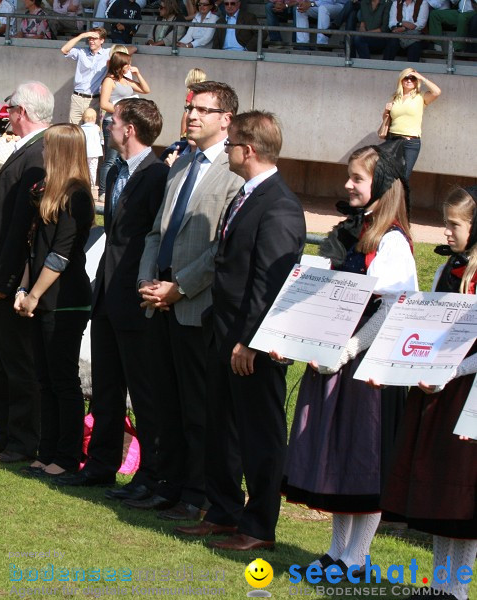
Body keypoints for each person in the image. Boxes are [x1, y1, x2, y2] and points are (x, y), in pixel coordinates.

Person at [277, 145, 416, 575]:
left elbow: (392, 306)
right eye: (349, 177)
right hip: (333, 359)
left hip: (365, 367)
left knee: (362, 460)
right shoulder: (352, 231)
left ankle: (358, 555)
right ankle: (338, 551)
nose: (348, 185)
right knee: (336, 455)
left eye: (357, 178)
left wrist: (349, 349)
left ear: (382, 186)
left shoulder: (392, 240)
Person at [175, 111, 305, 551]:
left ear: (247, 150)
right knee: (223, 431)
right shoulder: (248, 195)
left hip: (251, 345)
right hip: (224, 334)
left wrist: (251, 342)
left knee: (259, 436)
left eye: (230, 144)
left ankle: (259, 527)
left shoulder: (279, 205)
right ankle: (225, 512)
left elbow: (271, 282)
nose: (226, 150)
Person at [131, 82, 244, 518]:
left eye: (202, 109)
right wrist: (147, 279)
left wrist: (181, 287)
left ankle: (198, 493)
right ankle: (170, 485)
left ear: (226, 119)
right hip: (158, 302)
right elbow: (157, 233)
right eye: (189, 108)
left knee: (198, 408)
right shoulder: (177, 166)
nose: (192, 116)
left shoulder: (235, 173)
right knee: (166, 403)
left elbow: (222, 249)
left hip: (197, 306)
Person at [57, 98, 169, 494]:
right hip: (106, 294)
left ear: (130, 129)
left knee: (142, 392)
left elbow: (155, 241)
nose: (108, 126)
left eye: (114, 121)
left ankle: (150, 474)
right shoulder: (117, 168)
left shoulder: (156, 176)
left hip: (136, 300)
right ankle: (100, 465)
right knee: (105, 388)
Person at [381, 186, 477, 600]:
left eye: (454, 225)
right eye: (446, 223)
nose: (447, 232)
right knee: (437, 487)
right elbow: (427, 321)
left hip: (466, 392)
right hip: (435, 390)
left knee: (463, 492)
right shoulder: (448, 270)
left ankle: (457, 587)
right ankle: (439, 583)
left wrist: (453, 371)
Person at [0, 81, 53, 464]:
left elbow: (24, 227)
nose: (7, 117)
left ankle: (21, 442)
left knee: (17, 362)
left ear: (22, 112)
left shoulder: (40, 153)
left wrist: (9, 279)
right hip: (0, 271)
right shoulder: (27, 149)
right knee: (0, 357)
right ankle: (4, 436)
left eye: (11, 110)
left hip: (12, 274)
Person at [12, 123, 94, 477]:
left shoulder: (77, 197)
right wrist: (23, 290)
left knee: (63, 380)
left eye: (47, 148)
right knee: (43, 378)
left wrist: (34, 295)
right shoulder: (45, 190)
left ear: (61, 152)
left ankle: (66, 456)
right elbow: (34, 247)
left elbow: (60, 256)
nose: (43, 154)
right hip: (41, 295)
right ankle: (47, 452)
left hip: (66, 299)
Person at [98, 51, 149, 201]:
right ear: (119, 65)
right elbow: (104, 103)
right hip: (112, 122)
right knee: (111, 159)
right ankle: (103, 191)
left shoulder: (126, 80)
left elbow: (146, 90)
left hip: (126, 123)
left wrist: (138, 74)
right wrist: (123, 110)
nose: (129, 66)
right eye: (127, 64)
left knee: (122, 158)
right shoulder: (109, 81)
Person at [380, 68, 441, 180]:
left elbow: (437, 92)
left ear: (416, 81)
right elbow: (388, 119)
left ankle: (399, 197)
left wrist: (421, 77)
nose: (409, 81)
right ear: (401, 80)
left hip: (410, 143)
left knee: (403, 178)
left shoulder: (421, 97)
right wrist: (385, 112)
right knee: (386, 174)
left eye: (413, 78)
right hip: (392, 140)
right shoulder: (395, 97)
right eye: (406, 78)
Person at [61, 28, 111, 125]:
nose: (91, 41)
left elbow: (128, 50)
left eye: (94, 38)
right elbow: (64, 50)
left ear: (102, 40)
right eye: (89, 38)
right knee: (74, 131)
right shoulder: (82, 52)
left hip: (94, 100)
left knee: (91, 131)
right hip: (77, 98)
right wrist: (82, 35)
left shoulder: (107, 53)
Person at [80, 107, 103, 194]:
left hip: (83, 152)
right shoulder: (96, 128)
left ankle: (83, 182)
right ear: (94, 118)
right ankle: (92, 184)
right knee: (92, 169)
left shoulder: (81, 128)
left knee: (83, 168)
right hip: (94, 152)